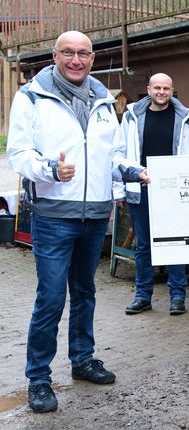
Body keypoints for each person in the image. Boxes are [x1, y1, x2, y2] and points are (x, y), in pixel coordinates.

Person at [6, 31, 149, 413]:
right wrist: (50, 169)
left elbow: (112, 154)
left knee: (85, 292)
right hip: (54, 217)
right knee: (51, 298)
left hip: (95, 215)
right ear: (55, 55)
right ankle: (38, 378)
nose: (75, 60)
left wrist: (133, 172)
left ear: (93, 57)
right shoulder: (32, 97)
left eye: (82, 53)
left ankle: (82, 359)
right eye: (67, 53)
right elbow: (18, 153)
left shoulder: (103, 100)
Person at [120, 73, 189, 316]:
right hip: (142, 189)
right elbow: (120, 152)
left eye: (166, 88)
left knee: (175, 244)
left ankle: (178, 296)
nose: (161, 92)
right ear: (148, 89)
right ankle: (143, 295)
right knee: (144, 246)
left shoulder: (186, 118)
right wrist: (133, 177)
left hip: (174, 194)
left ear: (172, 90)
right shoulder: (132, 117)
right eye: (157, 87)